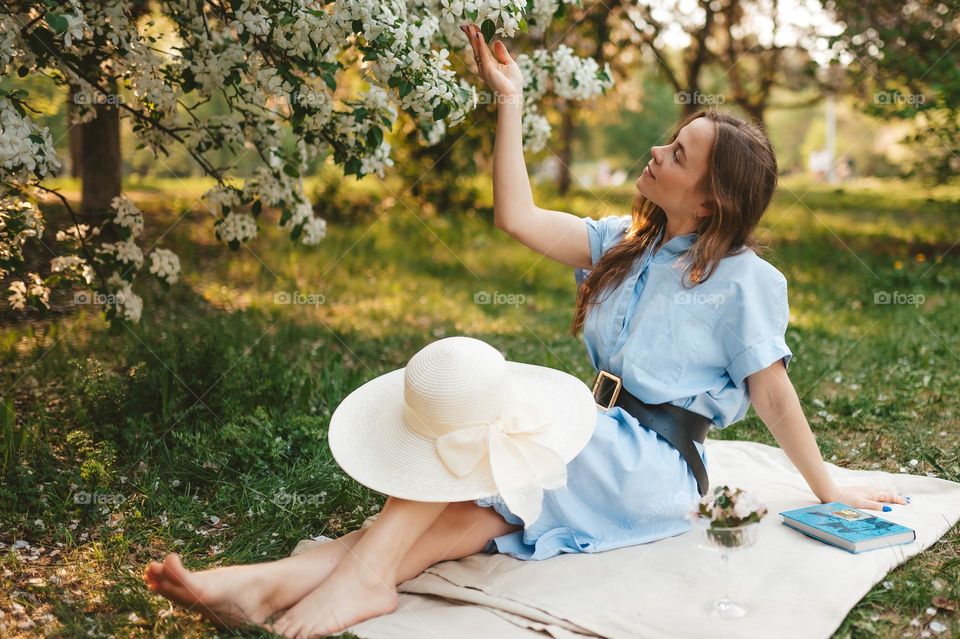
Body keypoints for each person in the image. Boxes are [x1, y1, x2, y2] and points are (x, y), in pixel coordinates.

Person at [142, 22, 908, 639]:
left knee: (483, 418)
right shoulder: (625, 242)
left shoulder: (746, 281)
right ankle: (263, 582)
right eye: (670, 141)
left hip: (649, 467)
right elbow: (516, 216)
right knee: (467, 513)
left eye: (676, 155)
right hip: (594, 436)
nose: (656, 151)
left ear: (709, 202)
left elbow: (773, 397)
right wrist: (509, 100)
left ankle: (359, 579)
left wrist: (828, 484)